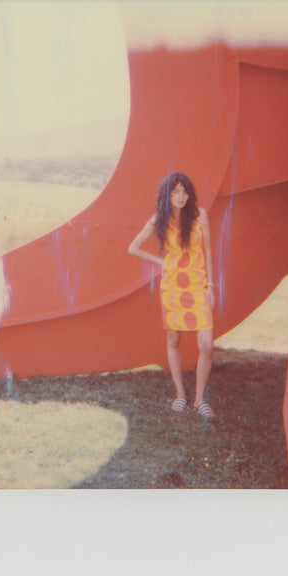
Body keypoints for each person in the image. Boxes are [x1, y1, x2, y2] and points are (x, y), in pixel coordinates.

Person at [128, 172, 216, 420]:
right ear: (167, 195)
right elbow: (132, 248)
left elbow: (208, 250)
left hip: (198, 285)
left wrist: (211, 285)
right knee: (173, 340)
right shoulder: (160, 219)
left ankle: (200, 400)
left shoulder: (200, 216)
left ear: (190, 194)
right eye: (175, 191)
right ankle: (180, 393)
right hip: (172, 288)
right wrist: (160, 261)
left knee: (207, 345)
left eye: (184, 191)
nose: (181, 196)